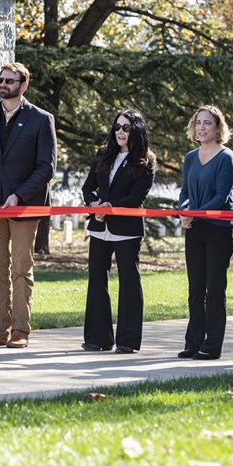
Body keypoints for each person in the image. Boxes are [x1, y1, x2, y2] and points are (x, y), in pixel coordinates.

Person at [0, 63, 57, 349]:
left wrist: (18, 195)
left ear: (24, 85)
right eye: (1, 80)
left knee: (21, 268)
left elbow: (46, 168)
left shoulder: (41, 120)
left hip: (23, 207)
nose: (3, 84)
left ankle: (20, 330)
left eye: (10, 80)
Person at [81, 109, 156, 354]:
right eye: (117, 127)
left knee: (129, 283)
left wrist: (110, 207)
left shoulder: (146, 160)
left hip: (126, 230)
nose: (120, 132)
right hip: (99, 227)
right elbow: (88, 187)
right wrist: (94, 206)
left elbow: (137, 197)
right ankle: (97, 338)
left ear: (136, 130)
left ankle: (128, 340)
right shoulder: (103, 154)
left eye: (125, 128)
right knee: (96, 281)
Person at [177, 105, 233, 360]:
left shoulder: (226, 157)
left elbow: (222, 196)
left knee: (214, 289)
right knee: (195, 288)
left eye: (208, 123)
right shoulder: (191, 157)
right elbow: (184, 193)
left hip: (218, 230)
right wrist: (183, 212)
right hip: (194, 228)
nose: (201, 127)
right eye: (198, 122)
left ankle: (212, 346)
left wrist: (195, 214)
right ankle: (193, 342)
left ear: (218, 128)